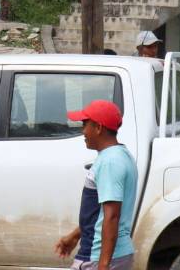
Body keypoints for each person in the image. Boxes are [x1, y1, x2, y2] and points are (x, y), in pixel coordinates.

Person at [55, 100, 138, 270]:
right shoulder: (119, 155)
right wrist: (75, 236)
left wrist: (103, 264)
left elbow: (112, 215)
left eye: (85, 125)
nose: (83, 131)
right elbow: (98, 213)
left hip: (97, 256)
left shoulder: (110, 162)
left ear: (98, 127)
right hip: (109, 254)